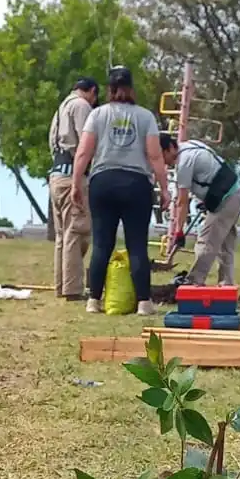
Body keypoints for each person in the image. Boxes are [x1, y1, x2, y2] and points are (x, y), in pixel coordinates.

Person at [72, 66, 168, 314]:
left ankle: (94, 300)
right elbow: (155, 155)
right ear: (131, 89)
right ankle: (144, 302)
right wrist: (165, 188)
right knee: (137, 244)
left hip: (103, 181)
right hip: (136, 184)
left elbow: (84, 151)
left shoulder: (97, 115)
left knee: (102, 243)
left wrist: (75, 183)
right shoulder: (145, 117)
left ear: (110, 89)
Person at [160, 133, 240, 286]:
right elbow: (211, 173)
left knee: (206, 241)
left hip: (225, 199)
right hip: (236, 193)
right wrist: (208, 199)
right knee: (225, 245)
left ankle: (193, 283)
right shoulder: (191, 145)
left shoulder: (183, 162)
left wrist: (179, 231)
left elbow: (182, 201)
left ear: (171, 148)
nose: (163, 162)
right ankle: (227, 286)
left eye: (162, 155)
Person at [47, 76, 99, 299]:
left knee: (63, 236)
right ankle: (73, 289)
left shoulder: (61, 108)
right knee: (77, 233)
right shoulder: (81, 106)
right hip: (72, 177)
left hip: (57, 176)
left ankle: (62, 286)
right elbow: (86, 142)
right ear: (92, 91)